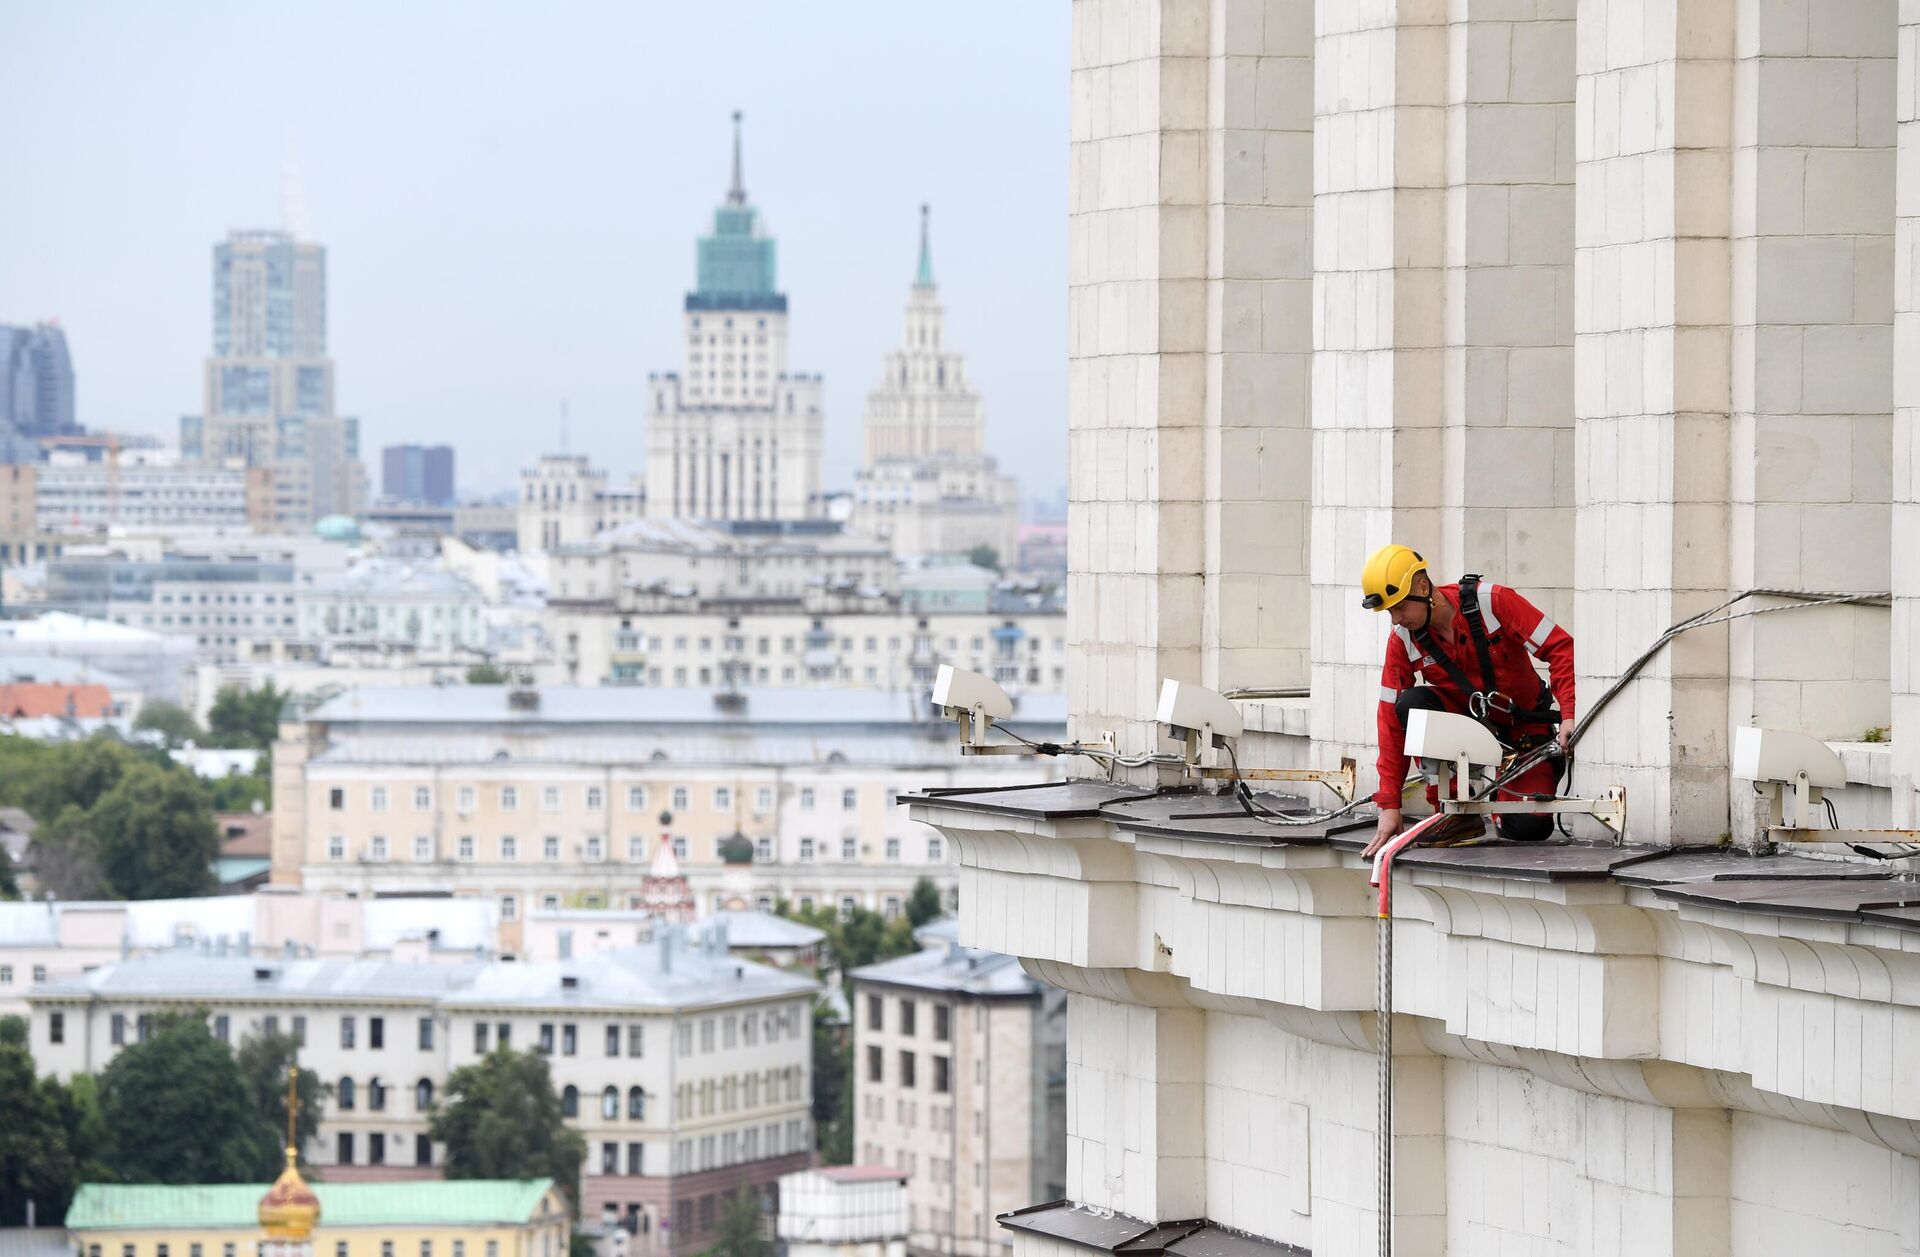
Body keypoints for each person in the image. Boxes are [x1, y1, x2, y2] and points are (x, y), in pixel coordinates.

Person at [1359, 544, 1575, 854]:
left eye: (1400, 607)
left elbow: (1559, 646)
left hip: (1523, 733)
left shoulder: (1494, 603)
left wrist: (1568, 712)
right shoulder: (1403, 641)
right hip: (1465, 730)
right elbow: (1391, 723)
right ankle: (1452, 810)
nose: (1395, 619)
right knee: (1409, 705)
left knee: (1528, 828)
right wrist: (1389, 804)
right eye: (1390, 611)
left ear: (1423, 587)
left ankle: (1500, 801)